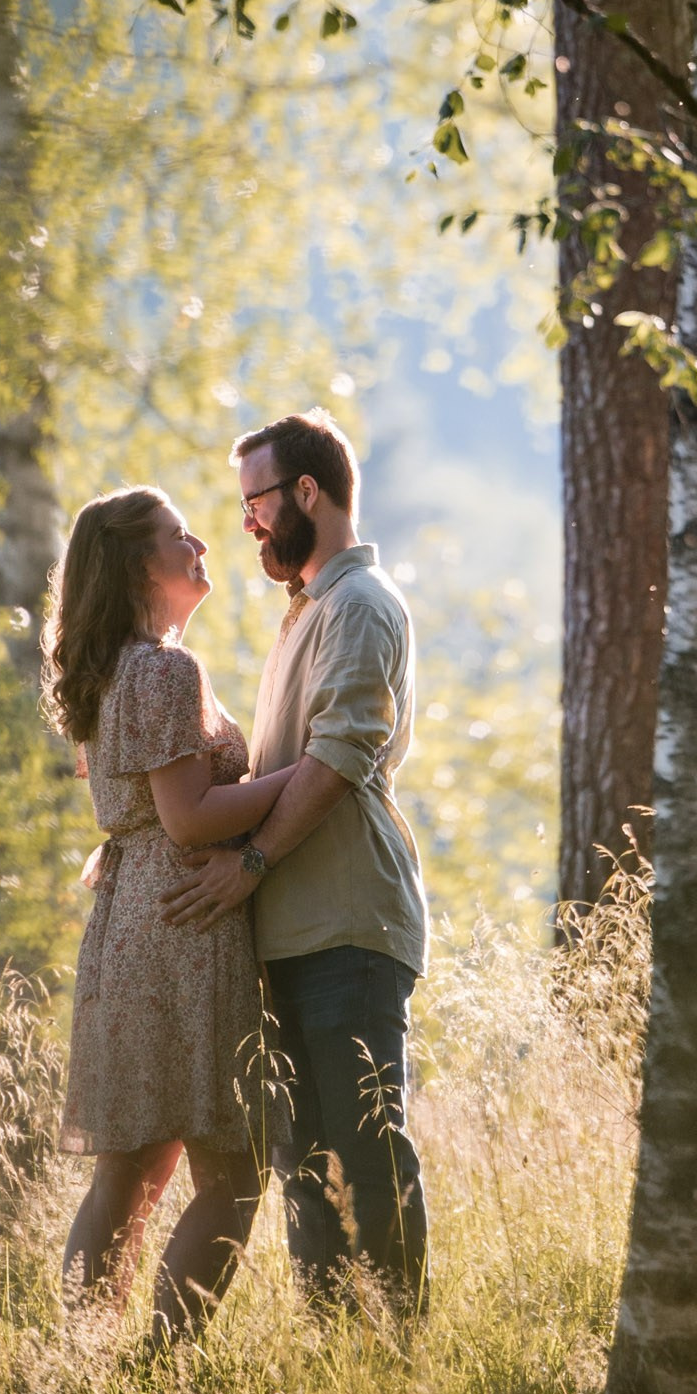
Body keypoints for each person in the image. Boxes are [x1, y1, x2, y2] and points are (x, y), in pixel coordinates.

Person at [164, 409, 430, 1311]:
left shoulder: (360, 606)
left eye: (257, 502)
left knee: (364, 1146)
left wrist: (251, 866)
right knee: (304, 1165)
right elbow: (281, 766)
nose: (247, 523)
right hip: (292, 929)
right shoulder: (312, 610)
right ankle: (336, 1371)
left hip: (347, 922)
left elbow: (337, 759)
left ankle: (395, 1362)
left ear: (307, 493)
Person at [45, 485, 295, 1338]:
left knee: (132, 1170)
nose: (201, 544)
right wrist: (310, 776)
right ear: (135, 563)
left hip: (131, 922)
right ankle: (158, 1373)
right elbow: (187, 817)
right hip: (184, 923)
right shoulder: (161, 668)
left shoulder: (114, 668)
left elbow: (143, 812)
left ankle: (81, 1364)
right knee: (233, 1172)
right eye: (177, 535)